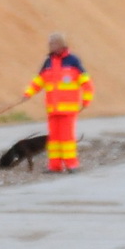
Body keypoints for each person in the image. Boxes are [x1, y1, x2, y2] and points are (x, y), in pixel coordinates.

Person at [21, 34, 92, 172]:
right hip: (52, 109)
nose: (50, 46)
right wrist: (27, 94)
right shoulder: (48, 62)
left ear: (61, 44)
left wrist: (85, 101)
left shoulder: (73, 61)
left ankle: (72, 165)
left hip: (68, 110)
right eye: (50, 44)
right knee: (53, 140)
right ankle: (55, 166)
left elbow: (87, 83)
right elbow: (38, 81)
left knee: (67, 139)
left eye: (53, 43)